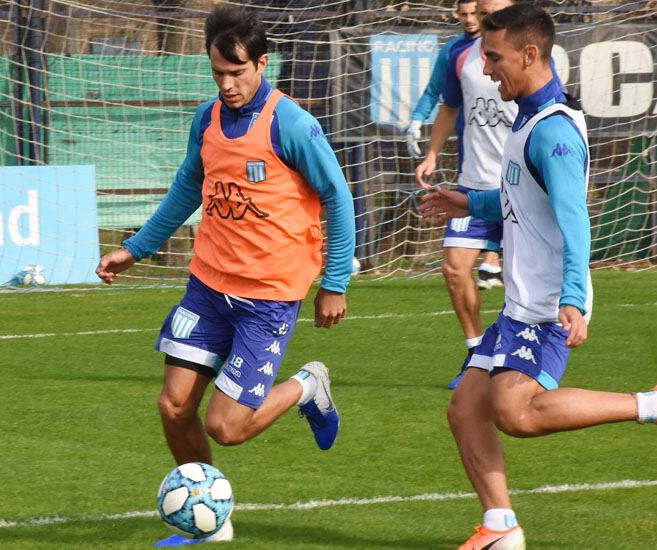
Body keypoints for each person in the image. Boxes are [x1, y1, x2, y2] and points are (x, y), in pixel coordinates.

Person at [419, 4, 657, 549]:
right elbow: (521, 196)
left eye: (494, 57)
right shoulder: (528, 116)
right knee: (465, 409)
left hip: (546, 303)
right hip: (520, 302)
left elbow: (575, 219)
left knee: (515, 413)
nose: (485, 68)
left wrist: (574, 296)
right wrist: (469, 201)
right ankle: (500, 528)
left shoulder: (553, 131)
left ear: (530, 54)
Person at [94, 5, 355, 546]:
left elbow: (337, 195)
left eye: (237, 72)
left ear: (262, 63)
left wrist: (334, 282)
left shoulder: (291, 124)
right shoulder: (207, 118)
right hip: (209, 287)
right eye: (218, 73)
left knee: (226, 426)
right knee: (173, 407)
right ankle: (212, 523)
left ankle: (307, 386)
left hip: (268, 298)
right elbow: (188, 187)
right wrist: (136, 249)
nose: (228, 85)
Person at [415, 0, 517, 390]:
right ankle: (476, 353)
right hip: (472, 186)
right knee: (454, 268)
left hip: (517, 187)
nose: (481, 17)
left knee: (519, 278)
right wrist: (432, 154)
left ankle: (511, 353)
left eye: (488, 10)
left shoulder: (527, 55)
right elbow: (449, 107)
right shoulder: (461, 55)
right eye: (478, 11)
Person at [405, 0, 482, 159]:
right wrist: (416, 121)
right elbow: (433, 91)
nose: (469, 19)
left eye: (473, 13)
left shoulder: (501, 45)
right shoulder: (451, 51)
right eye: (464, 14)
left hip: (505, 131)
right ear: (457, 14)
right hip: (469, 137)